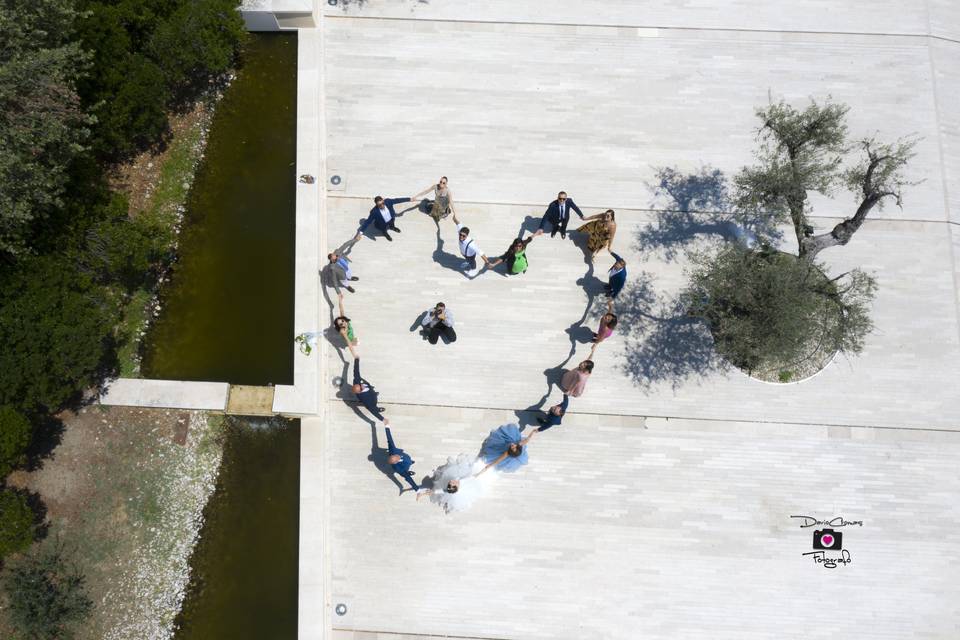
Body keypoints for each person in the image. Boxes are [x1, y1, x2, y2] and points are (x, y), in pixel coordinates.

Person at [416, 453, 489, 514]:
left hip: (454, 492)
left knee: (445, 497)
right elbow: (475, 476)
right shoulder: (464, 482)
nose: (452, 481)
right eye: (452, 482)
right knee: (450, 501)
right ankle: (448, 507)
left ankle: (447, 507)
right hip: (461, 490)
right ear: (456, 486)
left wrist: (421, 494)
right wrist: (484, 470)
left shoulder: (449, 488)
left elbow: (435, 492)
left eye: (451, 482)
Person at [384, 423, 419, 492]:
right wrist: (417, 489)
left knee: (409, 460)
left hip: (406, 459)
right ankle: (409, 470)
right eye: (397, 457)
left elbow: (389, 439)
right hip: (404, 467)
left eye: (395, 455)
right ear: (396, 462)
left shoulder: (393, 451)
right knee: (406, 474)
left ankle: (411, 462)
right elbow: (408, 479)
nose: (397, 455)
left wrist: (386, 426)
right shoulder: (398, 468)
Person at [351, 358, 386, 422]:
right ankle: (378, 409)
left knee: (373, 391)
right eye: (361, 388)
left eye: (360, 385)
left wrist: (356, 360)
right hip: (372, 400)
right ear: (359, 392)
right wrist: (382, 419)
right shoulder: (366, 400)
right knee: (374, 408)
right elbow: (372, 411)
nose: (362, 385)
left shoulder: (357, 381)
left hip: (371, 392)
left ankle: (374, 393)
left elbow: (356, 371)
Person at [334, 291, 358, 358]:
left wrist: (340, 300)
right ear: (340, 326)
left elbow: (341, 309)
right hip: (349, 338)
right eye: (341, 324)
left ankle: (354, 341)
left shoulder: (345, 320)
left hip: (351, 334)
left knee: (355, 340)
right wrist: (354, 355)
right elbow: (348, 343)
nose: (343, 322)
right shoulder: (343, 331)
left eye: (342, 320)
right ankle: (354, 342)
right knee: (355, 342)